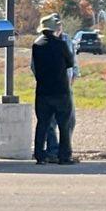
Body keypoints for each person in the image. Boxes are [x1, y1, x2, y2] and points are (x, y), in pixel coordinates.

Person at [31, 13, 76, 164]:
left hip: (43, 91)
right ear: (54, 29)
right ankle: (64, 156)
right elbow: (70, 63)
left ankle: (39, 155)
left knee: (42, 124)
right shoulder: (61, 44)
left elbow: (34, 68)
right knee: (64, 125)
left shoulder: (36, 46)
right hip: (61, 90)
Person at [44, 27, 80, 161]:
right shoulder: (42, 42)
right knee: (49, 121)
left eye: (59, 25)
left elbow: (73, 64)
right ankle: (52, 151)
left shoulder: (67, 40)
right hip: (49, 88)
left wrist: (71, 81)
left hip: (66, 88)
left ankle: (65, 152)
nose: (57, 28)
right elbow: (35, 66)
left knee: (69, 120)